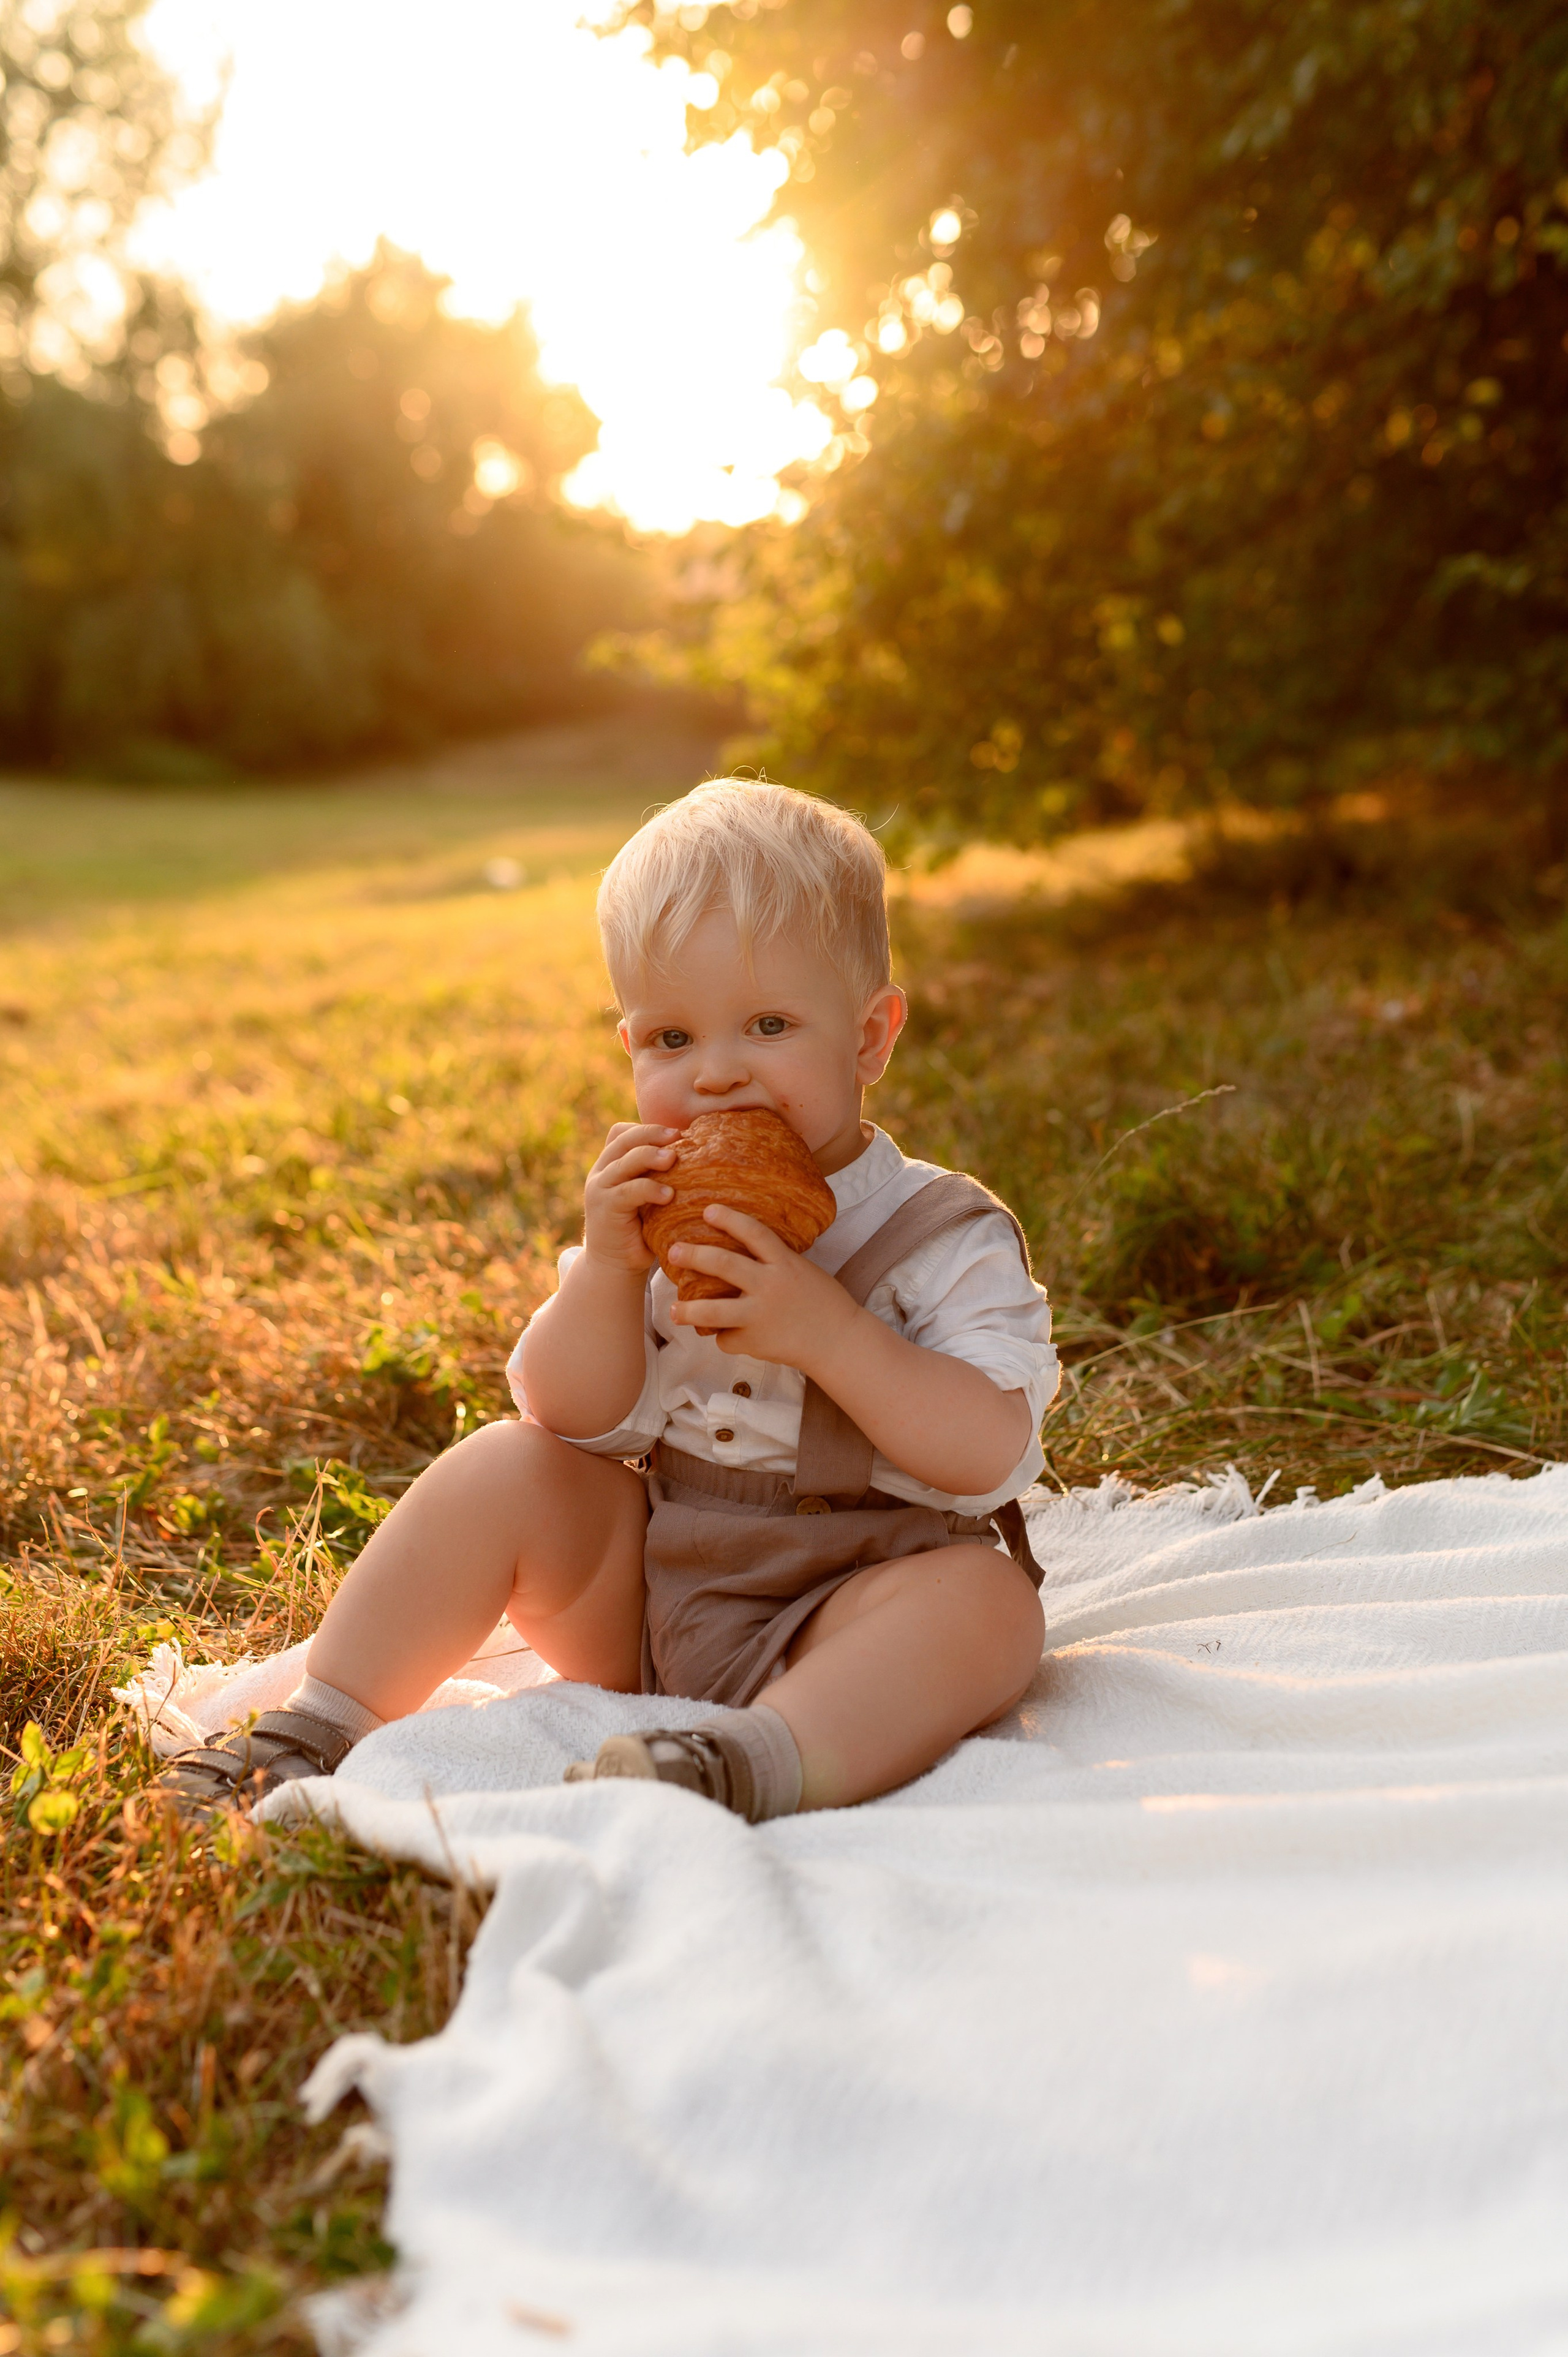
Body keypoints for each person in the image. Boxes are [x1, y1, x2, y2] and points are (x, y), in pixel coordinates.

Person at [159, 780, 1059, 1825]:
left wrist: (830, 1332)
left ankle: (755, 1758)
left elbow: (989, 1450)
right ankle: (313, 1729)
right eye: (671, 1040)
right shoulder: (647, 1222)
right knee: (505, 1463)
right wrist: (609, 1272)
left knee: (989, 1608)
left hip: (851, 1600)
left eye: (768, 1025)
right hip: (653, 1598)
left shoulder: (940, 1235)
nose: (718, 1076)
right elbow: (573, 1417)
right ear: (626, 1043)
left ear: (868, 1038)